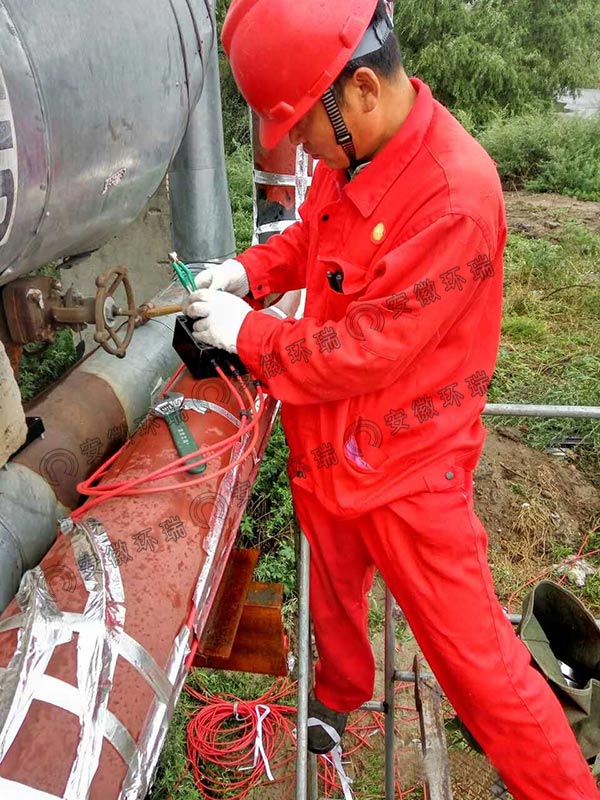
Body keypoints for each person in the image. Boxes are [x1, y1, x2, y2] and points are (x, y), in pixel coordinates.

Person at [183, 1, 599, 797]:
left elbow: (368, 347)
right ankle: (341, 694)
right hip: (328, 442)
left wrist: (250, 336)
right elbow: (312, 238)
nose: (300, 147)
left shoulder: (454, 196)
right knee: (333, 595)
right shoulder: (355, 154)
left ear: (363, 90)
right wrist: (250, 273)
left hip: (410, 471)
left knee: (479, 668)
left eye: (302, 128)